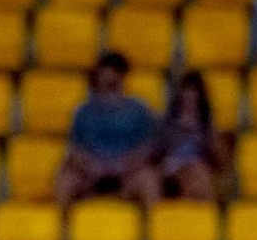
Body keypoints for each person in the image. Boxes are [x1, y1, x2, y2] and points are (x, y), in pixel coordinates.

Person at [55, 52, 160, 206]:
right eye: (104, 76)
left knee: (149, 180)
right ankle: (60, 227)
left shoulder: (138, 110)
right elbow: (75, 149)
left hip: (127, 174)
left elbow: (147, 148)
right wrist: (88, 166)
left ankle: (153, 227)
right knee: (65, 179)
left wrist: (126, 165)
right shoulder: (84, 112)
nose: (108, 80)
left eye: (113, 77)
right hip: (91, 175)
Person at [153, 70, 230, 201]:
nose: (189, 95)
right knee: (195, 173)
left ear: (200, 96)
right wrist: (179, 132)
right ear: (180, 94)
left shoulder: (206, 123)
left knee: (197, 174)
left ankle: (203, 214)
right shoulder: (168, 119)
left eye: (193, 91)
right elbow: (160, 147)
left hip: (197, 163)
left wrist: (205, 135)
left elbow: (218, 157)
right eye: (186, 90)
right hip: (172, 163)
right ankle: (208, 213)